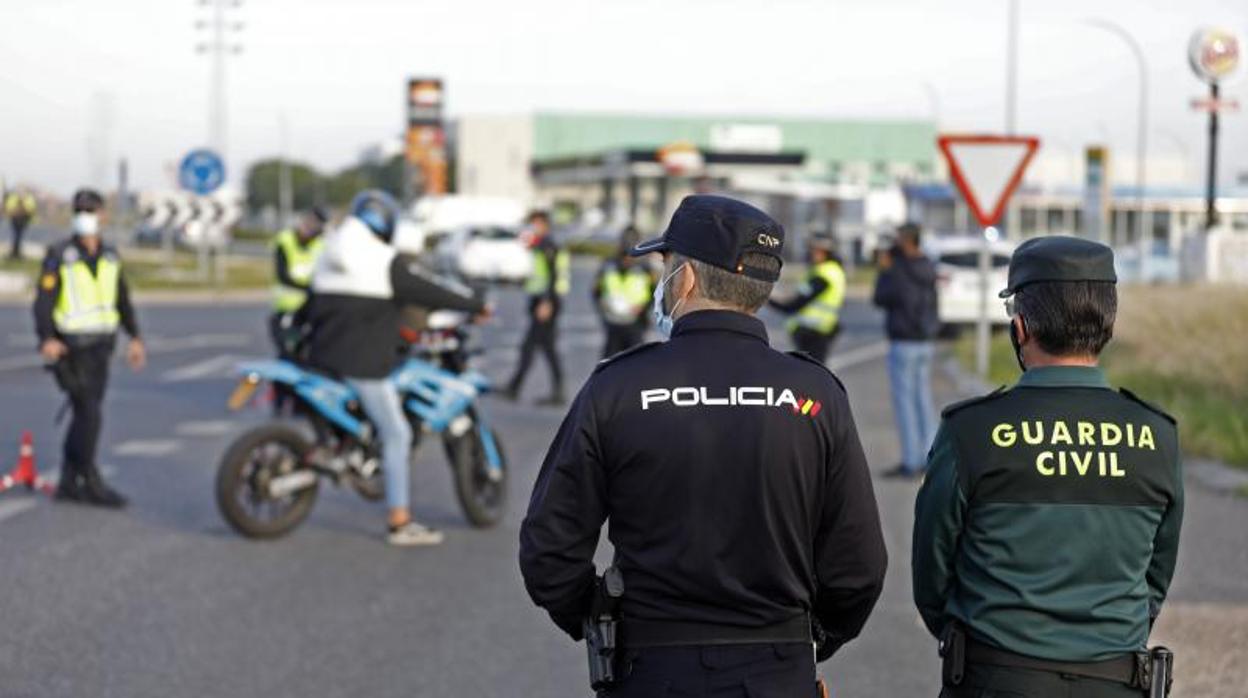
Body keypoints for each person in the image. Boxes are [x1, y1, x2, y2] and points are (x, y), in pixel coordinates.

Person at [519, 195, 888, 697]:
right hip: (777, 670)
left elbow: (549, 548)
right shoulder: (815, 395)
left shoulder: (618, 389)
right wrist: (808, 638)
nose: (661, 281)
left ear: (686, 279)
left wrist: (597, 621)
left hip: (648, 668)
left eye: (665, 267)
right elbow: (858, 567)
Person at [912, 236, 1183, 698]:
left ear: (1020, 328)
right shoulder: (1156, 434)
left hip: (994, 677)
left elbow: (932, 574)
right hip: (1114, 680)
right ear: (1108, 327)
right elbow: (1155, 577)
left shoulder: (971, 430)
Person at [306, 190, 486, 546]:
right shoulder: (383, 259)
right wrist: (474, 303)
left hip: (322, 358)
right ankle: (399, 521)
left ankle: (341, 448)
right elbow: (426, 291)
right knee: (398, 434)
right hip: (365, 365)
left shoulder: (330, 251)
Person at [32, 188, 145, 508]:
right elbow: (43, 302)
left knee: (85, 412)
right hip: (72, 349)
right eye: (81, 211)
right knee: (89, 414)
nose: (87, 217)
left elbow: (122, 299)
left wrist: (134, 337)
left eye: (92, 211)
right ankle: (89, 478)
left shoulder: (110, 256)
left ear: (103, 216)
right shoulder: (60, 255)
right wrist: (46, 339)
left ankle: (70, 479)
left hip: (102, 347)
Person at [873, 223, 939, 478]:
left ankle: (911, 461)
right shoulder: (928, 266)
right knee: (922, 399)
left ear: (906, 240)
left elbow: (880, 298)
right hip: (925, 339)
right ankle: (929, 458)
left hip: (903, 340)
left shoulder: (898, 269)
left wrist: (884, 270)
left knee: (905, 402)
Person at [503, 210, 569, 406]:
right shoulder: (541, 244)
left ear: (544, 225)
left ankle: (516, 388)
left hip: (546, 303)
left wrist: (546, 302)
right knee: (540, 348)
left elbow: (553, 276)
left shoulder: (548, 245)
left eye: (535, 224)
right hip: (541, 301)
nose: (532, 228)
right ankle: (516, 387)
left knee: (536, 348)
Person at [269, 207, 327, 414]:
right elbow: (282, 274)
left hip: (311, 312)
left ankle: (301, 403)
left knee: (307, 358)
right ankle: (279, 399)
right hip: (287, 310)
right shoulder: (285, 241)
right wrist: (308, 288)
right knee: (286, 356)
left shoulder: (321, 246)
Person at [768, 233, 847, 363]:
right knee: (815, 371)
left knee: (813, 372)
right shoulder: (827, 271)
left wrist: (768, 300)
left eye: (814, 250)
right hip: (817, 331)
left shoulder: (824, 274)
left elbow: (796, 304)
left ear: (824, 252)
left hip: (814, 332)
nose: (811, 254)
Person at [590, 226, 656, 358]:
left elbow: (655, 294)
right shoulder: (608, 266)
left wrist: (643, 310)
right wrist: (604, 312)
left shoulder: (645, 268)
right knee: (607, 368)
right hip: (613, 323)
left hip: (635, 325)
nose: (628, 259)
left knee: (637, 366)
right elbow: (596, 292)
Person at [5, 187, 37, 260]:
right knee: (16, 236)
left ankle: (16, 252)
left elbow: (31, 209)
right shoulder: (14, 197)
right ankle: (15, 253)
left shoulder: (28, 198)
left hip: (24, 220)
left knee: (19, 236)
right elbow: (9, 208)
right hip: (15, 220)